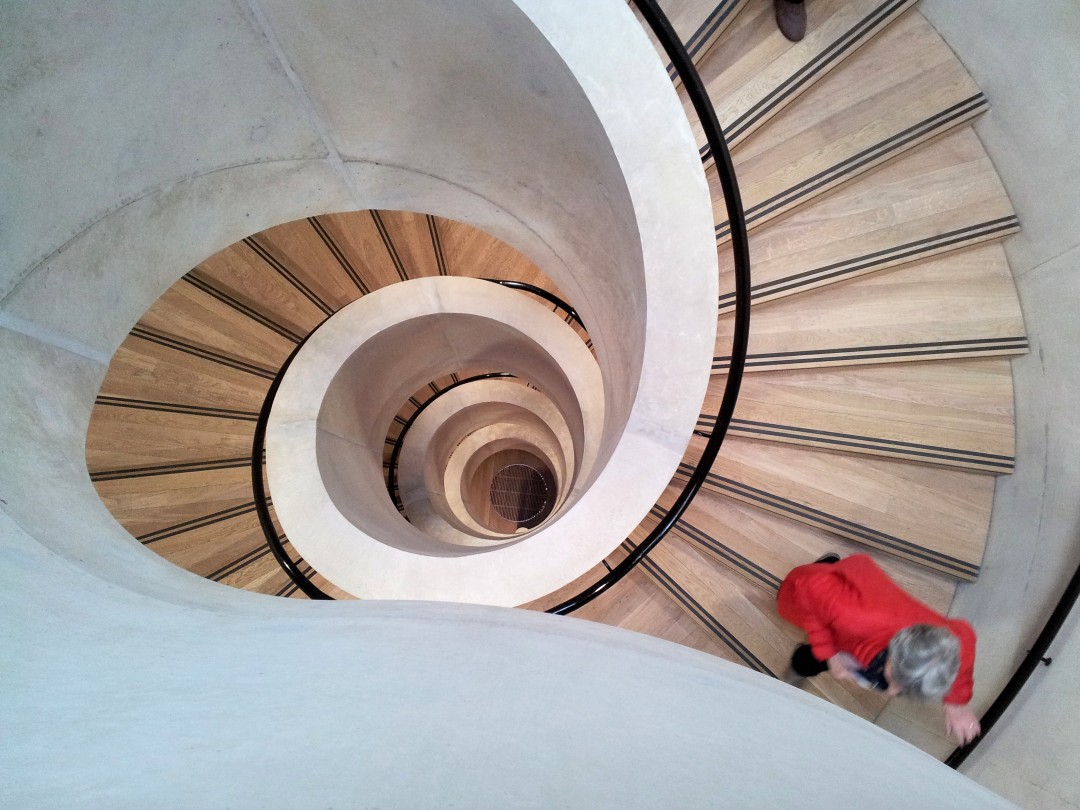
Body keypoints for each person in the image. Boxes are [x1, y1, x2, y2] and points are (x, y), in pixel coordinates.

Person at [777, 552, 982, 746]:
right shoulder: (852, 614)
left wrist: (956, 703)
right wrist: (830, 654)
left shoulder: (956, 644)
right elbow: (806, 587)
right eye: (895, 680)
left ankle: (830, 563)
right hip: (828, 594)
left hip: (854, 606)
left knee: (828, 606)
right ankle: (828, 567)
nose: (891, 691)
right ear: (894, 653)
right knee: (812, 657)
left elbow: (966, 642)